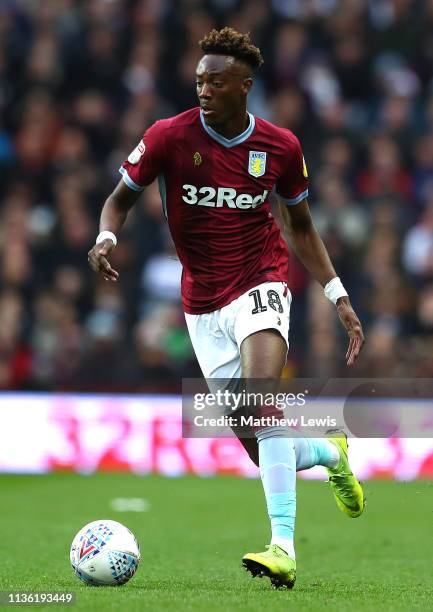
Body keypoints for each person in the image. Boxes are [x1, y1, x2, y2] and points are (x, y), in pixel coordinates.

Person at [88, 27, 365, 589]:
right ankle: (329, 452)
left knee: (262, 404)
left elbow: (301, 227)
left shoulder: (280, 147)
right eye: (199, 81)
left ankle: (282, 548)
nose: (204, 91)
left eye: (216, 82)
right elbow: (119, 200)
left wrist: (338, 297)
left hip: (262, 281)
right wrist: (105, 239)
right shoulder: (168, 136)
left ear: (245, 87)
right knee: (259, 441)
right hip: (202, 303)